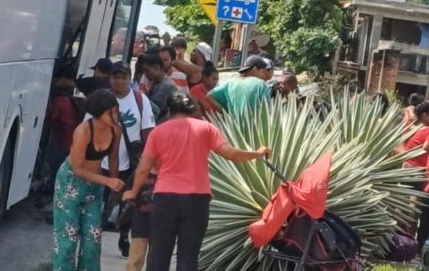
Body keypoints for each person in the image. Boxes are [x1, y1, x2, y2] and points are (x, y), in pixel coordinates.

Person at [122, 93, 271, 271]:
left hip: (165, 199)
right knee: (189, 255)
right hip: (197, 200)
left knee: (159, 254)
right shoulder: (206, 128)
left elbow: (144, 168)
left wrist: (132, 191)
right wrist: (257, 153)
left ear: (169, 111)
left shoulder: (158, 132)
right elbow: (231, 154)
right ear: (192, 110)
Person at [85, 62, 156, 261]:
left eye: (123, 77)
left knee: (129, 204)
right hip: (101, 163)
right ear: (110, 78)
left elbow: (148, 131)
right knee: (97, 205)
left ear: (129, 78)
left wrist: (149, 161)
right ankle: (92, 244)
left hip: (130, 163)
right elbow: (86, 127)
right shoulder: (100, 99)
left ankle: (124, 236)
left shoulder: (140, 100)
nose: (119, 81)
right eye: (116, 77)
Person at [52, 90, 125, 271]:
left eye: (116, 111)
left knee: (93, 238)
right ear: (99, 113)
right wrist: (107, 181)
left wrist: (114, 182)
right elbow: (77, 169)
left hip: (95, 187)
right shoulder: (83, 131)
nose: (115, 116)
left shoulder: (116, 130)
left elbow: (114, 157)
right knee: (67, 239)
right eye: (111, 112)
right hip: (70, 184)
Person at [400, 102, 429, 250]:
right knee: (413, 210)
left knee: (402, 208)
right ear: (425, 115)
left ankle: (400, 241)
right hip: (418, 172)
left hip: (405, 169)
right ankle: (409, 246)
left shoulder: (411, 128)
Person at [143, 54, 178, 124]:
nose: (145, 74)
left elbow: (172, 113)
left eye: (147, 70)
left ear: (156, 68)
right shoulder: (155, 83)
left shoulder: (169, 87)